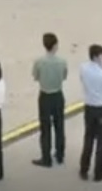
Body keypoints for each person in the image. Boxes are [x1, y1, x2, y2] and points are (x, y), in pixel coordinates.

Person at [30, 34, 69, 169]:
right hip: (58, 94)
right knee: (60, 126)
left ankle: (46, 157)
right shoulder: (62, 61)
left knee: (45, 128)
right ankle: (60, 154)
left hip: (45, 95)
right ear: (55, 45)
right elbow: (64, 76)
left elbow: (35, 77)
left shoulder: (39, 61)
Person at [77, 44, 102, 180]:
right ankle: (99, 172)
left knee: (88, 139)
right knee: (101, 142)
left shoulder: (83, 68)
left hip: (89, 107)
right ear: (96, 57)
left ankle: (83, 169)